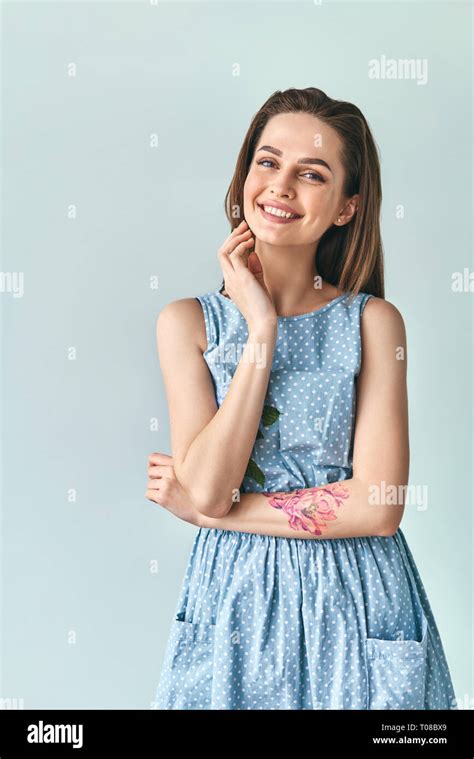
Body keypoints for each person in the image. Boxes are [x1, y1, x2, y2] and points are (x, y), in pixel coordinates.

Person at [146, 87, 457, 710]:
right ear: (243, 180)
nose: (281, 186)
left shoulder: (373, 324)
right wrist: (260, 330)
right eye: (268, 162)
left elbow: (378, 506)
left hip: (358, 597)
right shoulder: (189, 324)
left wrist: (216, 513)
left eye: (311, 174)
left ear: (346, 208)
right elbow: (211, 484)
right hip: (233, 599)